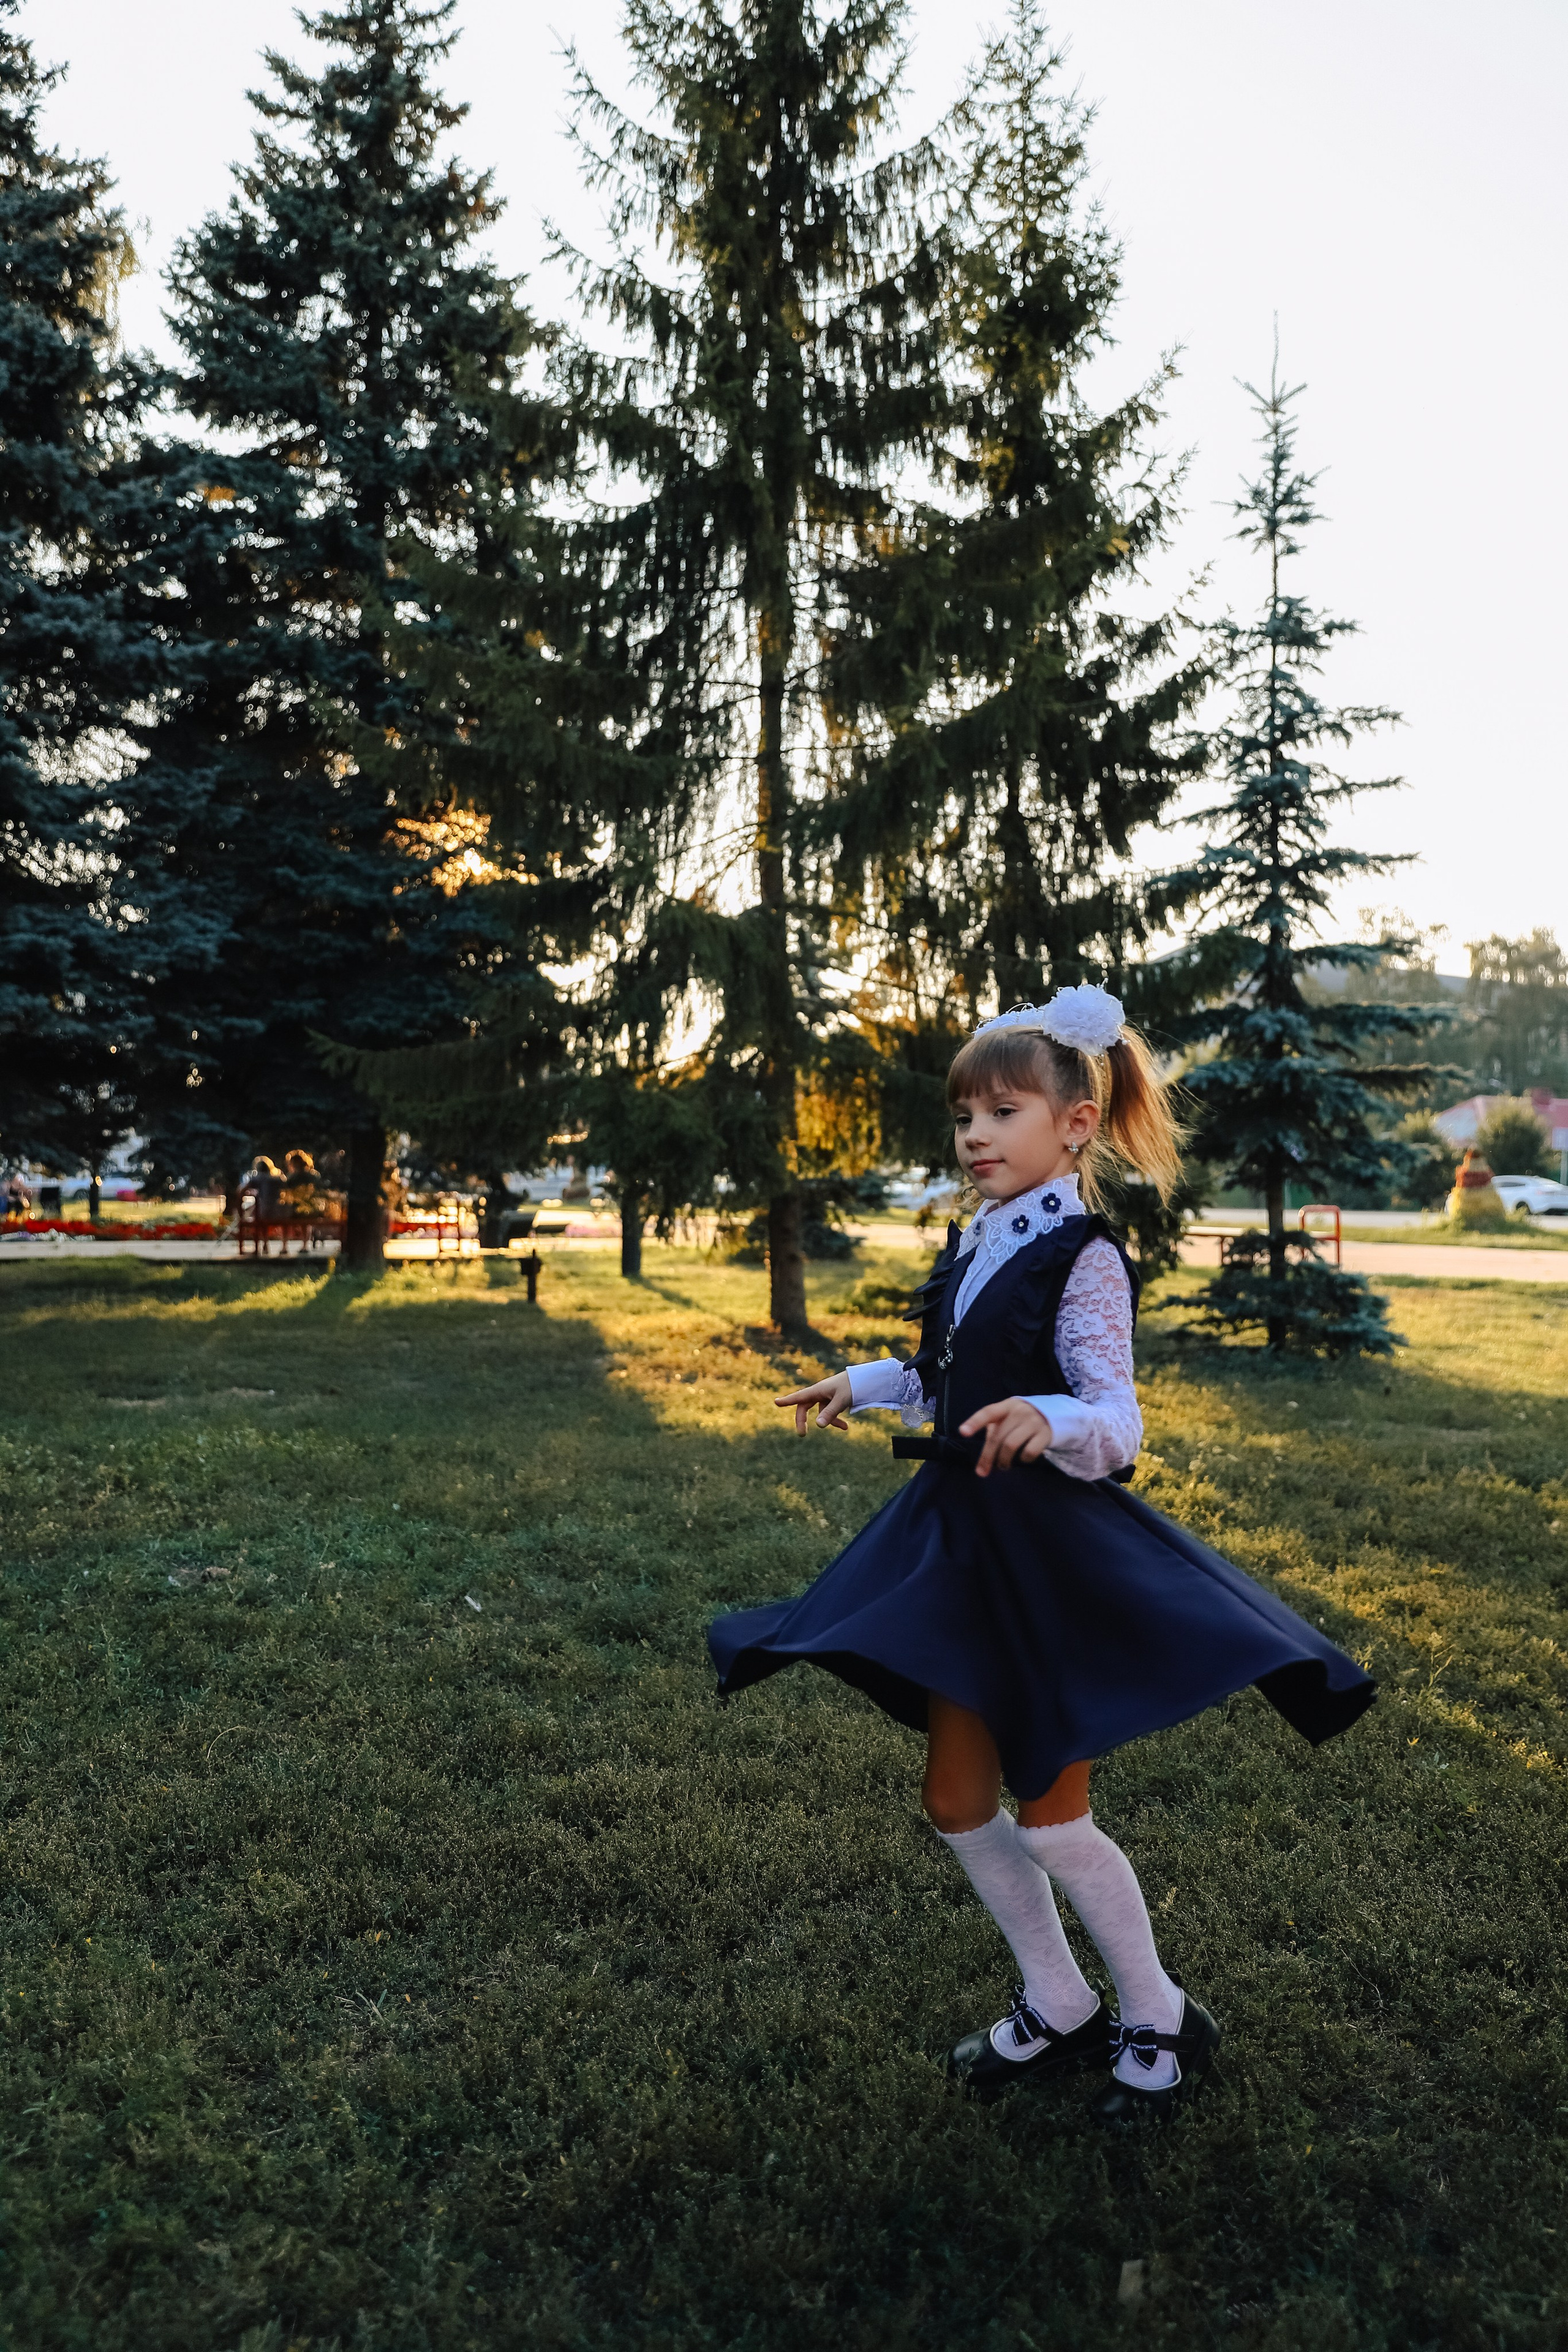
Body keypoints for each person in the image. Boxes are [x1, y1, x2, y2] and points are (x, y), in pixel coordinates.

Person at [708, 986, 1374, 2125]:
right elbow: (947, 1375)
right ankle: (1058, 1998)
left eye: (999, 1113)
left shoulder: (1085, 1254)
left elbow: (1118, 1420)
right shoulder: (979, 1238)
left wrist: (1047, 1418)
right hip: (957, 1549)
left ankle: (1158, 2011)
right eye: (963, 1116)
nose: (973, 1137)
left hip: (1041, 1563)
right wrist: (861, 1384)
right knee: (958, 1797)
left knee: (1053, 1811)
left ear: (1073, 1124)